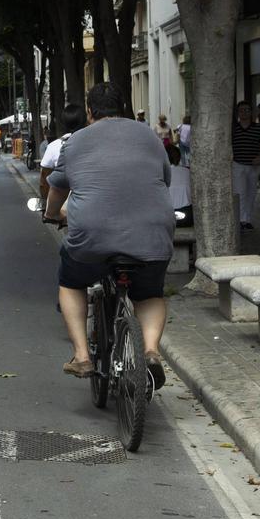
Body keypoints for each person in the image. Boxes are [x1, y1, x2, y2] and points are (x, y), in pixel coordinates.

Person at [45, 82, 173, 392]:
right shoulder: (149, 136)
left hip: (92, 235)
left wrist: (51, 215)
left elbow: (57, 189)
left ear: (89, 112)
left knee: (72, 280)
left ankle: (81, 356)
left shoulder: (74, 143)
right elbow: (164, 179)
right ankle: (152, 351)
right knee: (150, 293)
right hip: (153, 233)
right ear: (124, 108)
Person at [39, 103, 86, 201]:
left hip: (62, 204)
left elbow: (44, 181)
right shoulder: (97, 143)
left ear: (63, 123)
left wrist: (45, 205)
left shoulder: (54, 146)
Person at [231, 100, 260, 231]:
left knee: (251, 193)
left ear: (251, 112)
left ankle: (247, 219)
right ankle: (240, 220)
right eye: (241, 110)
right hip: (238, 164)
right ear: (238, 113)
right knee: (240, 193)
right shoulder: (234, 128)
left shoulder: (258, 127)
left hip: (253, 165)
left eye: (247, 110)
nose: (244, 112)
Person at [167, 144, 192, 226]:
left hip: (168, 219)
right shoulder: (188, 172)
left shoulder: (160, 174)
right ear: (179, 157)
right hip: (188, 217)